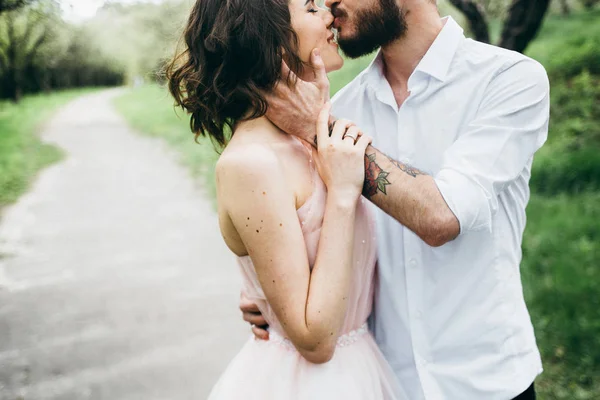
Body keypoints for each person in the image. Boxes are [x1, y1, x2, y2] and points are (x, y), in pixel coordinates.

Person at [241, 0, 550, 399]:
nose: (329, 2)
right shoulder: (341, 109)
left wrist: (316, 128)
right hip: (383, 383)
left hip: (488, 382)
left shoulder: (508, 79)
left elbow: (443, 216)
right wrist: (272, 284)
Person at [167, 0, 409, 399]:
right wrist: (344, 196)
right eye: (312, 8)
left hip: (365, 365)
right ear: (271, 38)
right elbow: (314, 341)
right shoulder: (251, 163)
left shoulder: (311, 138)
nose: (331, 14)